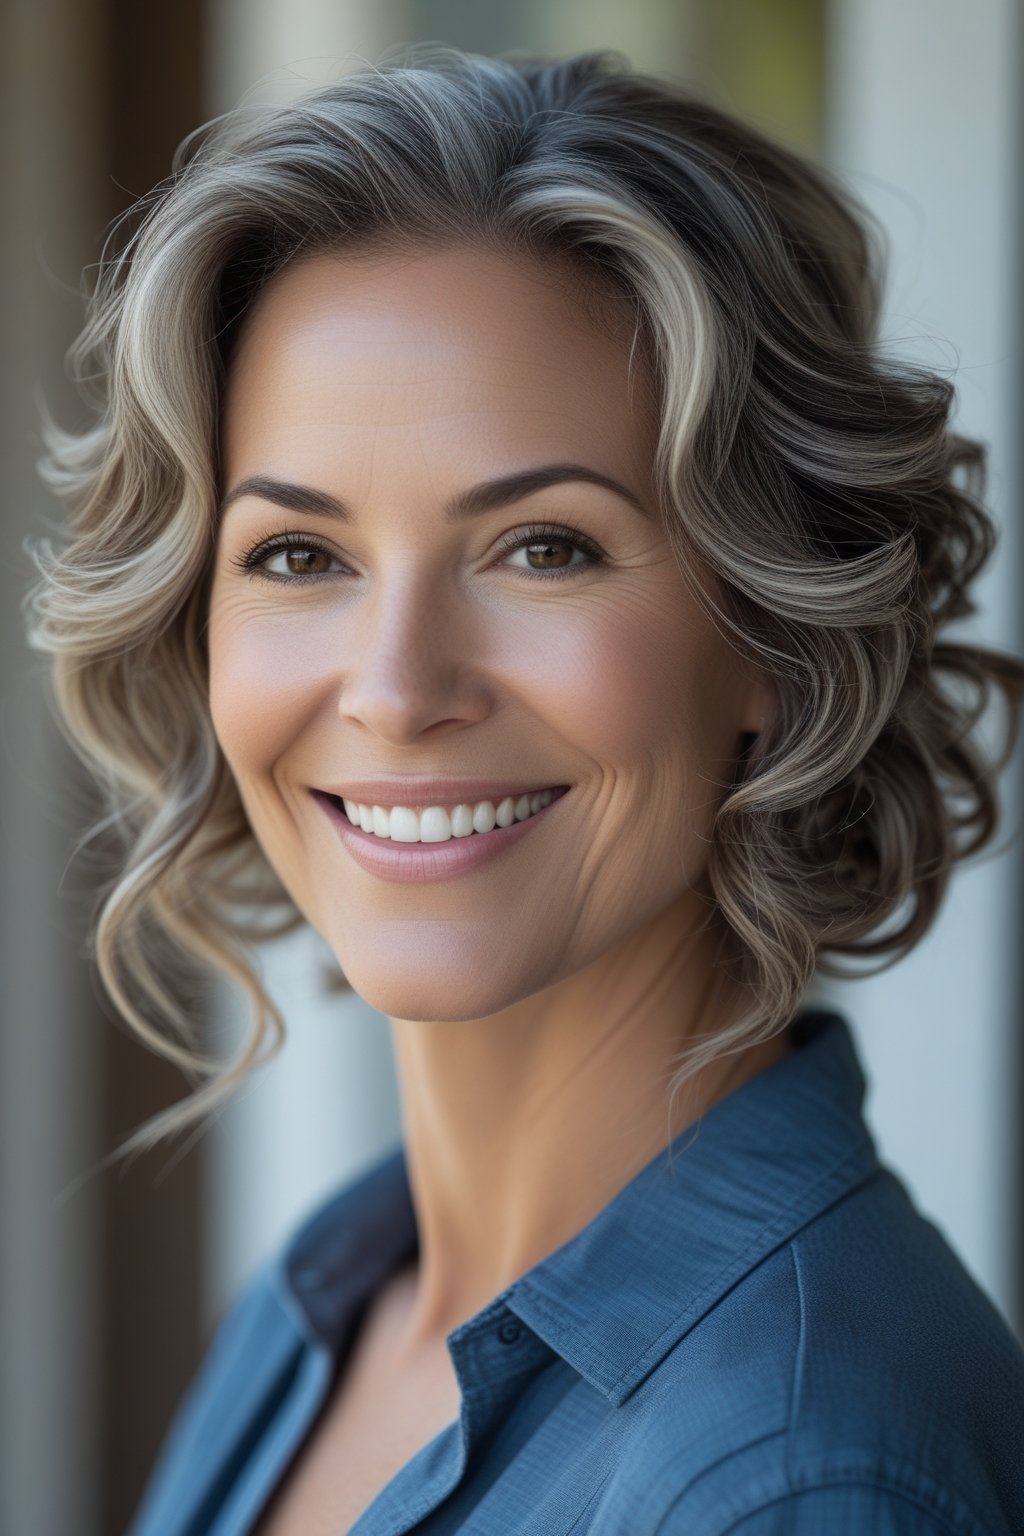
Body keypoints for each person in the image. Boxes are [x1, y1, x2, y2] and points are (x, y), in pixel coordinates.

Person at [27, 43, 1024, 1536]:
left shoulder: (801, 1477)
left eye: (543, 546)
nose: (397, 686)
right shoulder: (333, 1300)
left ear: (770, 633)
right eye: (300, 555)